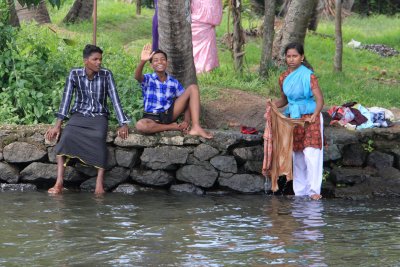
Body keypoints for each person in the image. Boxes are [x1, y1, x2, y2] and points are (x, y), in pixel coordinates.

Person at [45, 44, 130, 195]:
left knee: (98, 138)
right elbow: (66, 99)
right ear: (86, 61)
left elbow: (115, 100)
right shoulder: (74, 74)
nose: (99, 62)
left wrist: (123, 123)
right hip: (79, 115)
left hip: (99, 116)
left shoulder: (106, 74)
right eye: (95, 59)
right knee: (66, 138)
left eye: (100, 59)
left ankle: (99, 184)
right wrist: (57, 125)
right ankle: (59, 182)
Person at [272, 42, 324, 200]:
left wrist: (315, 114)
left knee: (311, 153)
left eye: (295, 56)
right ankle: (300, 192)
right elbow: (284, 100)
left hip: (310, 117)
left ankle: (314, 191)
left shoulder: (309, 75)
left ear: (301, 57)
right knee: (297, 155)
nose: (291, 59)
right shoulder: (283, 77)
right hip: (293, 119)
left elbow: (320, 99)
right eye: (288, 56)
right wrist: (271, 106)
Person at [134, 44, 212, 139]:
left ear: (166, 62)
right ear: (151, 65)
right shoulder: (148, 78)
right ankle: (171, 127)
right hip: (151, 117)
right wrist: (142, 61)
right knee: (141, 125)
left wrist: (186, 121)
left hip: (169, 114)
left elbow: (187, 101)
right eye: (156, 60)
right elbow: (137, 77)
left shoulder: (173, 82)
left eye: (163, 59)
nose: (160, 62)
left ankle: (196, 126)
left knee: (193, 88)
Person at [191, 0, 222, 73]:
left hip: (200, 18)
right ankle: (205, 70)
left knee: (205, 46)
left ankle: (204, 70)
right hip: (198, 18)